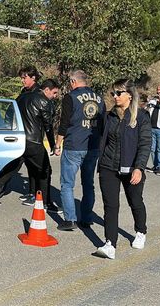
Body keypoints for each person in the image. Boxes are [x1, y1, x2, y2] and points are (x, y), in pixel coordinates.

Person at [95, 79, 151, 259]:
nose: (115, 96)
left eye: (119, 93)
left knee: (135, 200)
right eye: (113, 93)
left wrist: (139, 168)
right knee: (110, 205)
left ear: (129, 95)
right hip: (108, 166)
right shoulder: (110, 115)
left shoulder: (141, 116)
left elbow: (145, 144)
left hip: (132, 167)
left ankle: (141, 231)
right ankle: (110, 243)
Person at [54, 70, 105, 231]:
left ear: (73, 82)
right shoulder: (99, 98)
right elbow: (103, 124)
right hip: (92, 146)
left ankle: (70, 220)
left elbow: (64, 122)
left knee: (67, 184)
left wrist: (57, 144)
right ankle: (87, 218)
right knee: (88, 184)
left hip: (74, 146)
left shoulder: (70, 97)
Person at [14, 69, 61, 212]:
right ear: (46, 90)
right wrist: (53, 145)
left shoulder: (22, 97)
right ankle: (46, 202)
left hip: (21, 140)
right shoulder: (43, 102)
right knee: (45, 170)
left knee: (18, 167)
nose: (54, 97)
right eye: (54, 93)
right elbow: (48, 127)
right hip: (34, 141)